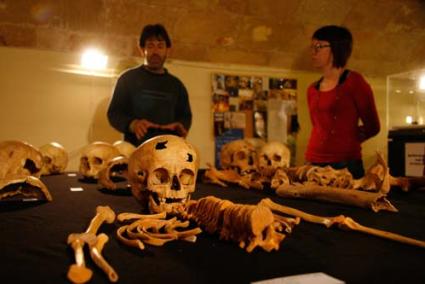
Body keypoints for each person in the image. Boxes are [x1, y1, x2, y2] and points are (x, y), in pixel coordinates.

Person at [305, 25, 380, 179]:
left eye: (319, 46)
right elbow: (318, 126)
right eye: (312, 47)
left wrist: (348, 138)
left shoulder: (354, 82)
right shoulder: (312, 89)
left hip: (345, 163)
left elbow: (373, 126)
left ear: (337, 48)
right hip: (313, 160)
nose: (313, 52)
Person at [107, 24, 192, 146]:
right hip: (134, 151)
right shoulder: (127, 79)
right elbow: (114, 113)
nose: (156, 51)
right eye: (150, 46)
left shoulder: (177, 85)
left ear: (168, 50)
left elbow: (185, 116)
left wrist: (181, 126)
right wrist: (133, 124)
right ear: (142, 49)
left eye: (160, 46)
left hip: (168, 153)